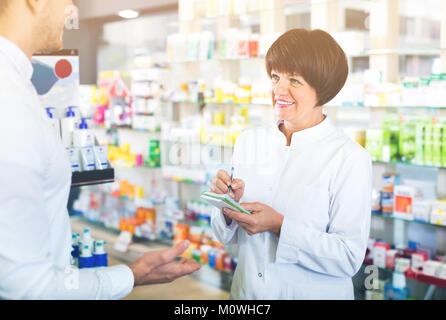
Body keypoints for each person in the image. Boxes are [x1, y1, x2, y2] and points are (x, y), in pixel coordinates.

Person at [0, 0, 200, 299]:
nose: (70, 11)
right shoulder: (10, 100)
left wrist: (133, 274)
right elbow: (27, 286)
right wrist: (128, 276)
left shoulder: (18, 84)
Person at [210, 28, 372, 300]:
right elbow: (225, 237)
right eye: (275, 77)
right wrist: (228, 207)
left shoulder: (349, 157)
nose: (279, 90)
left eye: (294, 80)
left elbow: (348, 258)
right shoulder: (249, 141)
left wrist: (279, 226)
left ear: (324, 89)